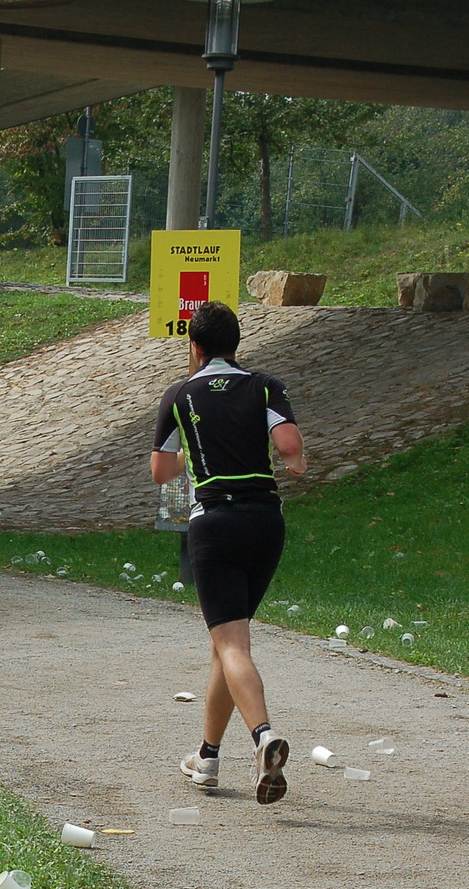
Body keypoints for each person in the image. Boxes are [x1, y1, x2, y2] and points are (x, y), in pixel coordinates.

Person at [151, 300, 307, 805]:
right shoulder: (266, 386)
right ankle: (207, 756)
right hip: (265, 523)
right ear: (236, 345)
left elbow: (160, 472)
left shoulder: (179, 394)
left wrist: (191, 452)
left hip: (215, 523)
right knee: (228, 639)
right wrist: (297, 460)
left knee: (232, 644)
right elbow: (288, 447)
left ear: (193, 347)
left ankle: (263, 737)